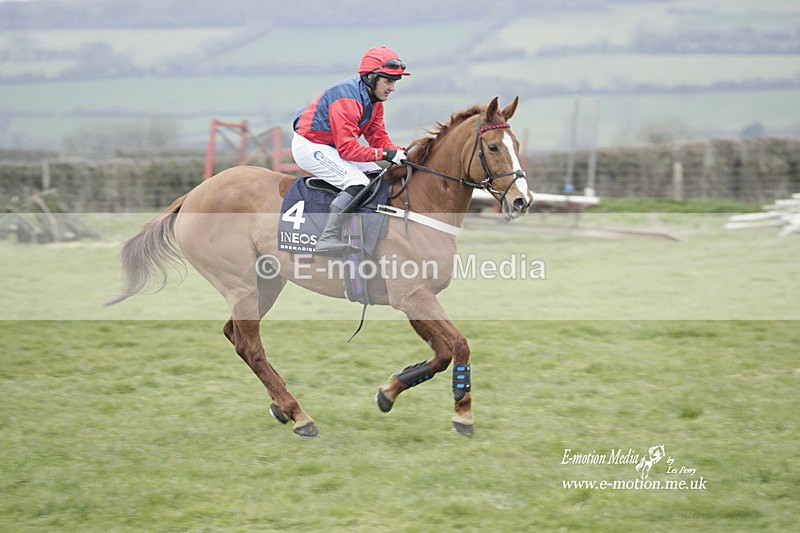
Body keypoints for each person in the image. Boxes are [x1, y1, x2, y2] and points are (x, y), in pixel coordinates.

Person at [292, 45, 410, 255]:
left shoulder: (375, 102)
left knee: (376, 176)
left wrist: (403, 153)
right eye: (389, 81)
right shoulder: (346, 98)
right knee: (357, 181)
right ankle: (327, 238)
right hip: (310, 145)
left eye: (394, 82)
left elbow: (378, 138)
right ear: (372, 78)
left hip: (332, 146)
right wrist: (385, 155)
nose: (393, 88)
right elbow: (348, 150)